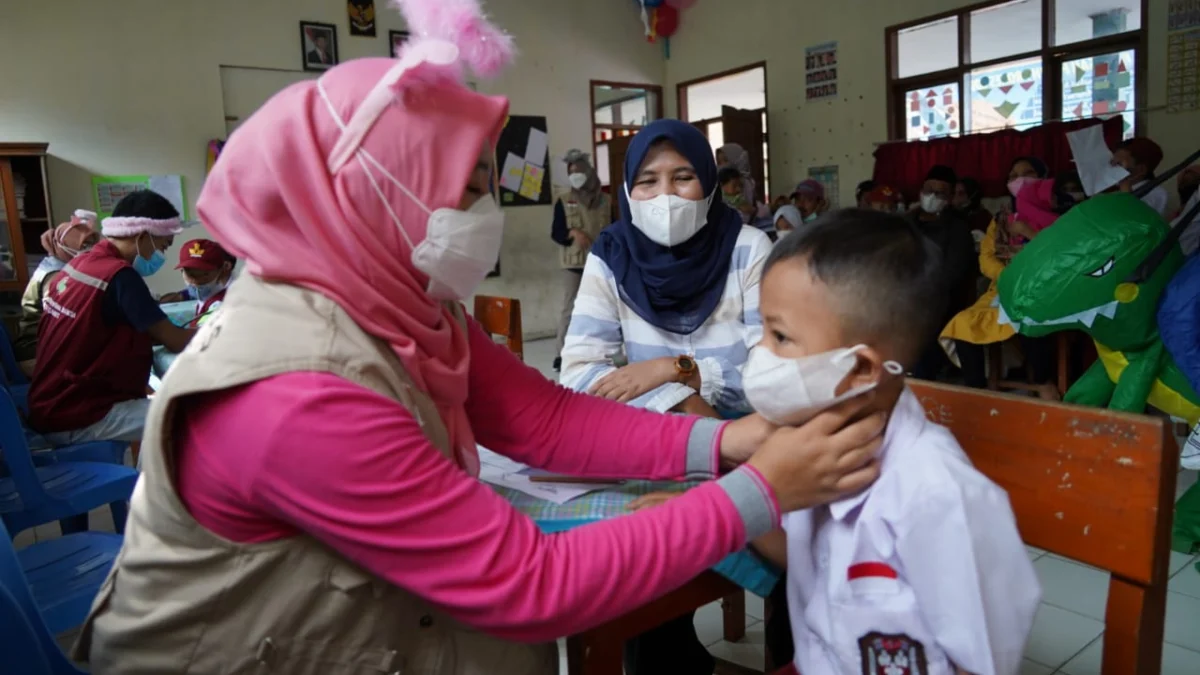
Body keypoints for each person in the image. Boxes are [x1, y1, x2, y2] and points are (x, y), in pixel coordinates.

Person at [71, 15, 887, 673]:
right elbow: (529, 581)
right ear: (367, 196)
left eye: (484, 188)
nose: (482, 216)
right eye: (459, 192)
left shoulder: (399, 299)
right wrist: (760, 491)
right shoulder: (296, 392)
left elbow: (544, 420)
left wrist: (730, 438)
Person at [750, 210, 1039, 674]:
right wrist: (722, 510)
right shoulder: (807, 446)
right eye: (762, 330)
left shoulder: (937, 493)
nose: (760, 352)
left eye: (780, 336)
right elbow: (806, 554)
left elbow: (982, 657)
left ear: (861, 368)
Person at [560, 119, 774, 674]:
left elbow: (772, 374)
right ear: (629, 190)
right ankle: (670, 654)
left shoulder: (749, 248)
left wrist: (671, 371)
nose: (665, 196)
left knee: (797, 533)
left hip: (757, 440)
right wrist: (678, 403)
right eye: (648, 181)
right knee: (635, 537)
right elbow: (581, 371)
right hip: (664, 441)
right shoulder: (611, 253)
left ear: (708, 180)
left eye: (683, 177)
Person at [26, 190, 196, 446]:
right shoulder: (119, 276)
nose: (161, 255)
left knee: (161, 408)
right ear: (142, 236)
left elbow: (102, 329)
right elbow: (176, 341)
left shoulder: (80, 263)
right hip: (76, 416)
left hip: (48, 403)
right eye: (163, 246)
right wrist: (222, 329)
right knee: (197, 415)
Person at [940, 157, 1062, 398]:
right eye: (1013, 176)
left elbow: (1061, 255)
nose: (1019, 180)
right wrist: (1007, 275)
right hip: (1003, 288)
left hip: (1048, 289)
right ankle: (977, 390)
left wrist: (1028, 232)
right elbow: (986, 257)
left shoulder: (1060, 216)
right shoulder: (1002, 220)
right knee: (963, 323)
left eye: (1028, 173)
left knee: (1030, 318)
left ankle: (1044, 382)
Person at [906, 164, 978, 381]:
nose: (932, 196)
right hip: (902, 291)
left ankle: (923, 380)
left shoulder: (957, 228)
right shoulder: (906, 222)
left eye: (939, 193)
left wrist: (919, 291)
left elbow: (951, 274)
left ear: (949, 198)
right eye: (928, 190)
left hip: (939, 299)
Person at [13, 210, 100, 376]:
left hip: (45, 346)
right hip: (35, 351)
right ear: (64, 245)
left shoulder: (58, 265)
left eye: (91, 245)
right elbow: (62, 317)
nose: (89, 251)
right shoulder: (55, 276)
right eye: (83, 246)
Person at [549, 148, 611, 371]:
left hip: (601, 263)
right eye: (571, 171)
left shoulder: (605, 200)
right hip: (574, 263)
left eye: (579, 170)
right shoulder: (564, 200)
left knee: (603, 308)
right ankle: (560, 355)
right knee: (569, 308)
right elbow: (556, 232)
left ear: (588, 171)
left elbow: (615, 230)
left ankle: (600, 353)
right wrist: (573, 233)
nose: (575, 175)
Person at [158, 238, 237, 326]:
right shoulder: (207, 296)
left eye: (204, 275)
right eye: (190, 275)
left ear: (222, 271)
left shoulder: (221, 304)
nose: (195, 282)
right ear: (182, 272)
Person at [1112, 136, 1169, 216]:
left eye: (1119, 164)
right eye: (1112, 163)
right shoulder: (1115, 192)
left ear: (1141, 170)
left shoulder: (1157, 193)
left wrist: (1126, 193)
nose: (1112, 168)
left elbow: (1132, 218)